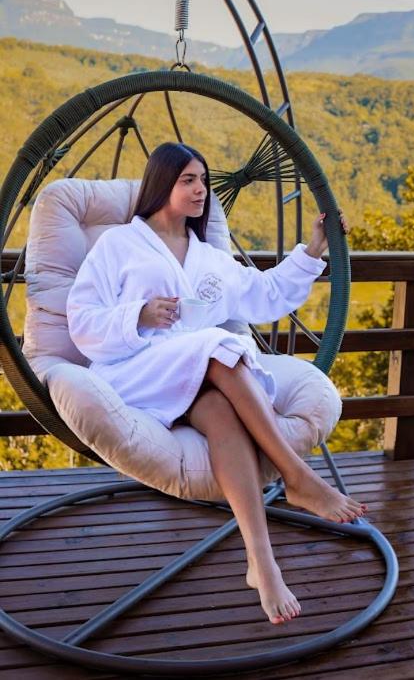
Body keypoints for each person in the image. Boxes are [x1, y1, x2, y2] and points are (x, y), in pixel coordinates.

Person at [66, 141, 366, 626]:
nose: (201, 189)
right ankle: (297, 477)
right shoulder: (118, 245)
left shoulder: (209, 258)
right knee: (217, 345)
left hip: (195, 378)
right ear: (162, 184)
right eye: (188, 180)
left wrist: (314, 248)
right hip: (135, 369)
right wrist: (138, 315)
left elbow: (266, 293)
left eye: (203, 180)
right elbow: (81, 320)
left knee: (223, 410)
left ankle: (261, 562)